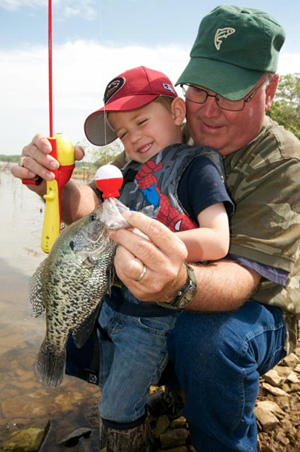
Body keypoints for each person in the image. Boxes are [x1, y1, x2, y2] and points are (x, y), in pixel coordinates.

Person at [11, 5, 300, 452]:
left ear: (269, 88)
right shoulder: (163, 137)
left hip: (255, 306)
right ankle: (167, 394)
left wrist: (174, 285)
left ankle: (220, 439)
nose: (210, 110)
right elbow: (101, 205)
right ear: (181, 98)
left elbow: (242, 278)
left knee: (209, 340)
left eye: (230, 94)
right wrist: (55, 188)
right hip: (176, 287)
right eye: (200, 91)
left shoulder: (283, 164)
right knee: (94, 294)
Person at [85, 65, 234, 450]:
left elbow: (218, 240)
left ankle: (126, 439)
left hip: (151, 320)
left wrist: (162, 243)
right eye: (123, 133)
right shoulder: (126, 174)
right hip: (114, 308)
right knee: (108, 384)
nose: (133, 138)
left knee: (116, 409)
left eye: (141, 121)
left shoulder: (196, 167)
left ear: (177, 112)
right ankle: (170, 401)